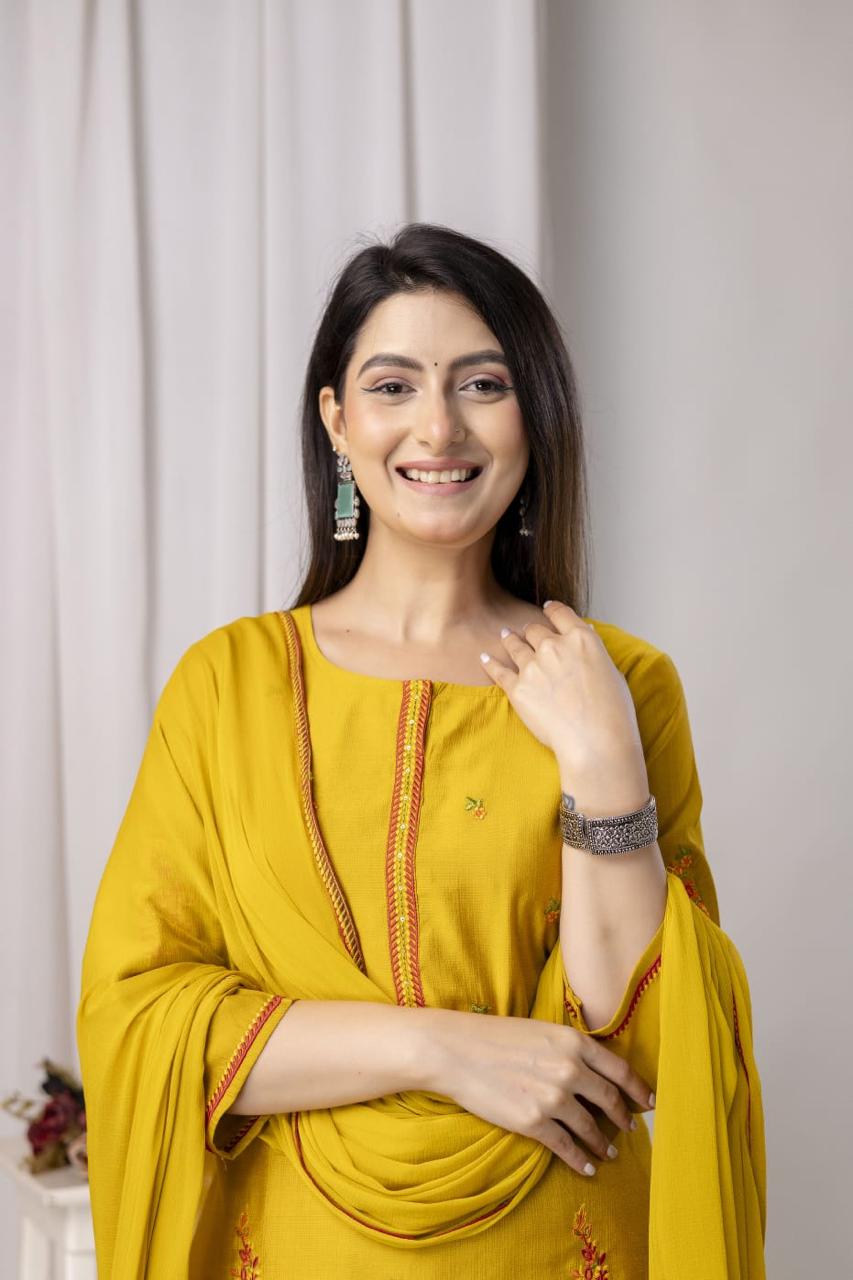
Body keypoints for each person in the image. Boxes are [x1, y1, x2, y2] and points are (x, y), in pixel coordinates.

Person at [77, 222, 766, 1278]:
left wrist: (602, 762)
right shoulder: (227, 686)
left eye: (483, 384)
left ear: (536, 414)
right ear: (337, 421)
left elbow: (642, 1046)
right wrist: (439, 1049)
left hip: (561, 1247)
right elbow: (138, 1015)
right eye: (393, 386)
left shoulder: (618, 683)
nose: (438, 427)